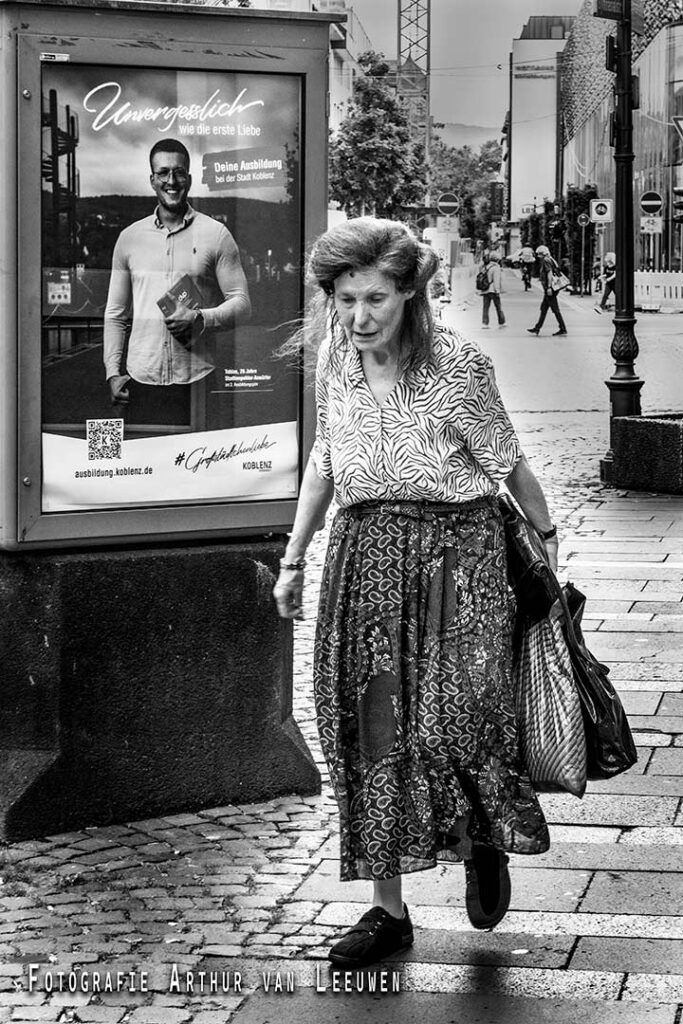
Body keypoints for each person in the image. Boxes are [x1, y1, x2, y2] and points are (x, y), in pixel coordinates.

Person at [273, 217, 558, 969]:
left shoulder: (457, 366)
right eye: (343, 299)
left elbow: (506, 462)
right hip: (363, 556)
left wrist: (547, 541)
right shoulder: (335, 358)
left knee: (457, 721)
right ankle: (386, 910)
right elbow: (325, 461)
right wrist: (294, 558)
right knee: (369, 733)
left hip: (456, 559)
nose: (358, 317)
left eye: (374, 299)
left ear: (408, 295)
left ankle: (481, 834)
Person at [103, 139, 251, 417]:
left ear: (189, 178)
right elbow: (115, 313)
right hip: (141, 382)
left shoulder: (216, 234)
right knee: (143, 461)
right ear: (152, 179)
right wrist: (113, 373)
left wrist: (201, 319)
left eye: (179, 172)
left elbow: (243, 305)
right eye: (163, 173)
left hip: (198, 382)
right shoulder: (129, 239)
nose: (171, 180)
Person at [527, 244, 567, 337]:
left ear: (543, 254)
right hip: (550, 289)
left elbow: (549, 273)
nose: (538, 256)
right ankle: (537, 328)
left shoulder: (546, 260)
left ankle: (563, 328)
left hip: (550, 289)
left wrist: (549, 287)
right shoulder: (551, 259)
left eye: (539, 254)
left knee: (555, 310)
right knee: (544, 309)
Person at [480, 251, 506, 328]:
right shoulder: (496, 267)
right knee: (498, 307)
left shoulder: (485, 266)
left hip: (485, 289)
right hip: (493, 290)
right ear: (497, 259)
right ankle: (502, 322)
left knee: (485, 307)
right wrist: (497, 291)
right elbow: (496, 280)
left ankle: (485, 323)